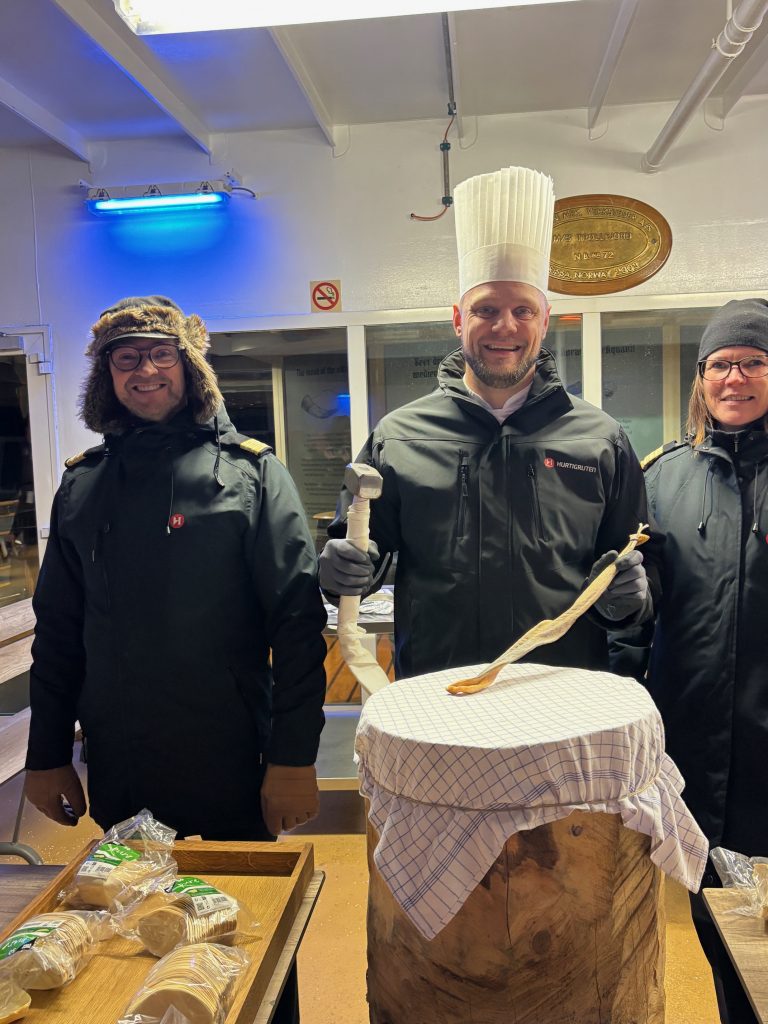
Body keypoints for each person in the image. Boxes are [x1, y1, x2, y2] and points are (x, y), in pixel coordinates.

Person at [319, 167, 657, 678]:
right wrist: (338, 572)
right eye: (486, 309)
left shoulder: (600, 439)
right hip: (438, 686)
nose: (505, 326)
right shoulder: (398, 438)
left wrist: (630, 599)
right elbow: (362, 555)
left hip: (564, 688)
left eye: (524, 310)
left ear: (545, 319)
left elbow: (636, 563)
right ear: (459, 320)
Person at [24, 294, 327, 840]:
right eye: (126, 357)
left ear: (189, 365)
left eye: (162, 354)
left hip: (230, 756)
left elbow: (297, 627)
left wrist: (294, 756)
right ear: (107, 374)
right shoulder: (82, 484)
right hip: (121, 760)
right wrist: (46, 754)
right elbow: (59, 631)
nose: (145, 370)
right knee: (134, 894)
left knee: (237, 894)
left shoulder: (251, 474)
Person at [614, 297, 768, 1024]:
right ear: (701, 379)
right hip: (697, 761)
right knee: (721, 932)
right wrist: (627, 603)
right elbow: (635, 623)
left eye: (753, 362)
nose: (734, 378)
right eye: (720, 364)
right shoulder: (662, 479)